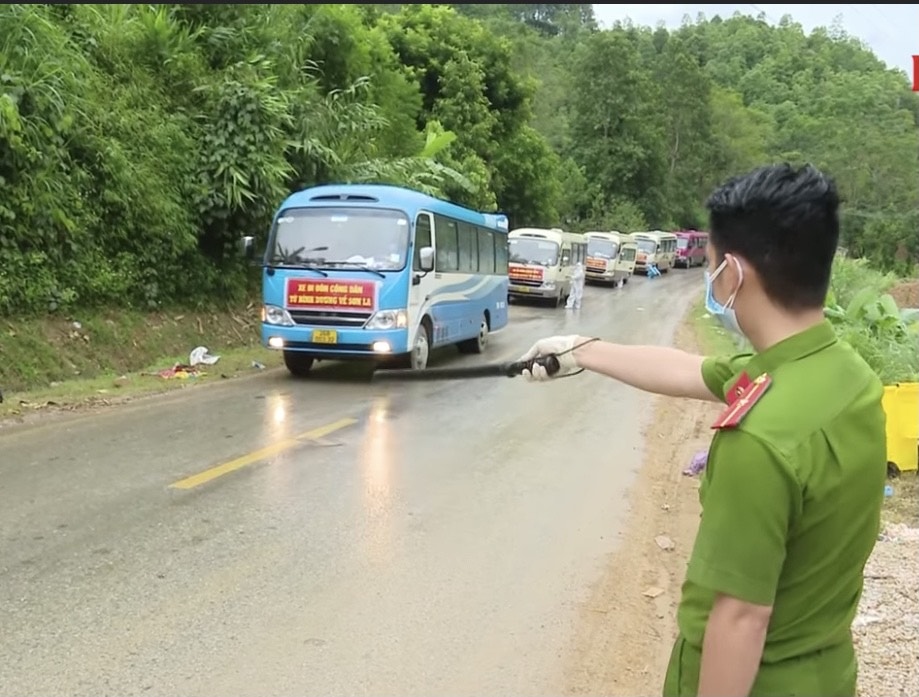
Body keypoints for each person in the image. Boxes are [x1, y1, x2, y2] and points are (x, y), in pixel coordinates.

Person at [517, 163, 887, 697]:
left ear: (732, 274)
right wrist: (582, 349)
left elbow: (741, 618)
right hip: (826, 674)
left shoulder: (760, 438)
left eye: (710, 267)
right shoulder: (844, 374)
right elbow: (690, 371)